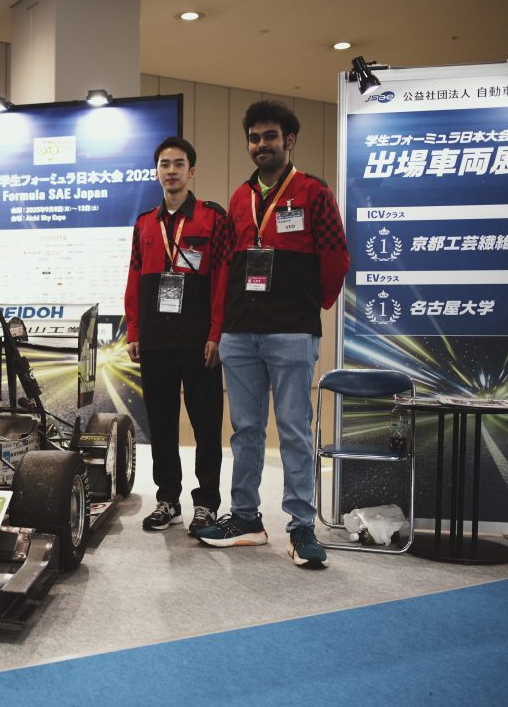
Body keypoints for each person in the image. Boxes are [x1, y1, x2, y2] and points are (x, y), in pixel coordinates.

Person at [194, 100, 349, 568]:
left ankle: (301, 527)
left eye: (270, 137)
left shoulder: (313, 191)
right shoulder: (240, 198)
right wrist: (222, 328)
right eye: (254, 138)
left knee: (295, 431)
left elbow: (336, 257)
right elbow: (226, 267)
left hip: (290, 332)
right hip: (241, 333)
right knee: (245, 430)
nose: (261, 145)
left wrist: (306, 305)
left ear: (290, 140)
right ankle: (246, 518)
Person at [124, 136, 235, 534]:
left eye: (179, 163)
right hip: (156, 340)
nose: (171, 170)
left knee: (206, 425)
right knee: (162, 425)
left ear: (192, 171)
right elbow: (135, 278)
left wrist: (216, 333)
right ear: (157, 171)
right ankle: (167, 500)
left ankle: (206, 503)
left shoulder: (213, 218)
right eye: (164, 164)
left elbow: (223, 278)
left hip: (198, 340)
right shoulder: (144, 224)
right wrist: (134, 329)